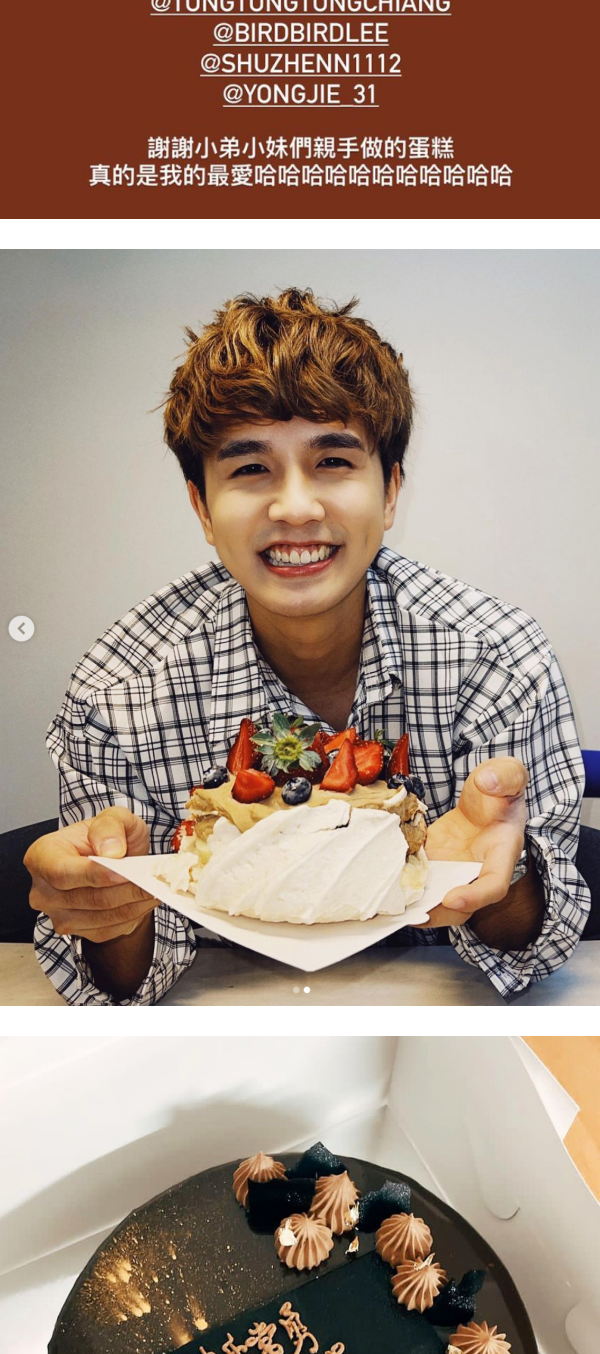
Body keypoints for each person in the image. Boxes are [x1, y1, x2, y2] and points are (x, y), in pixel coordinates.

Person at [25, 284, 588, 1006]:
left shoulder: (498, 660)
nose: (295, 507)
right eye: (250, 468)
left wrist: (502, 882)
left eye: (333, 462)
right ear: (202, 506)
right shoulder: (118, 692)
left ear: (391, 491)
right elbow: (119, 984)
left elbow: (539, 946)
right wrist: (109, 909)